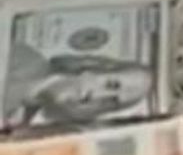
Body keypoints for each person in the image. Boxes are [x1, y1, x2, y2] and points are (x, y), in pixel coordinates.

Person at [4, 40, 153, 128]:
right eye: (111, 84)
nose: (95, 97)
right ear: (93, 68)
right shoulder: (21, 57)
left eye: (111, 101)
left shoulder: (19, 127)